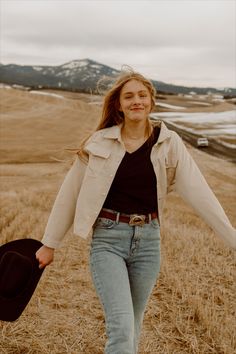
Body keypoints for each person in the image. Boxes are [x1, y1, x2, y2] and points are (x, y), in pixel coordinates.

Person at [36, 70, 236, 354]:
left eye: (142, 95)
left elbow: (201, 193)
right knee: (121, 327)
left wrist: (231, 238)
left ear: (151, 101)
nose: (136, 101)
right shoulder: (99, 143)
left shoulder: (169, 144)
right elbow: (70, 194)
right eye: (128, 96)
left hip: (148, 243)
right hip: (108, 241)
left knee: (134, 325)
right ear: (118, 104)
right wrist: (49, 244)